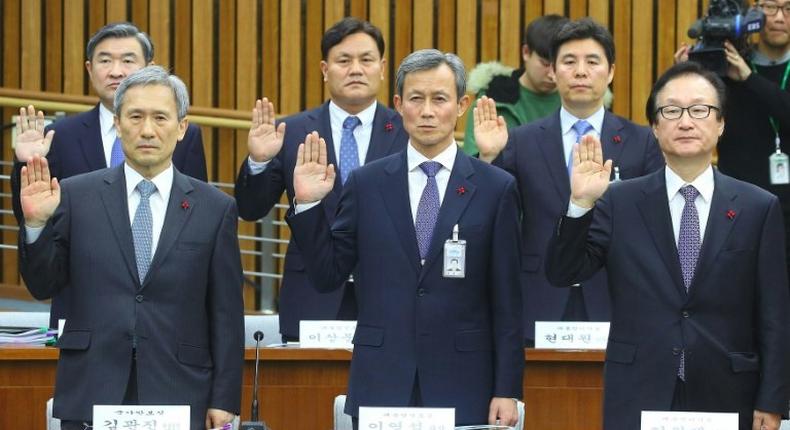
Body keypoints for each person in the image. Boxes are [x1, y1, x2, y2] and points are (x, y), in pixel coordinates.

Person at [545, 60, 790, 430]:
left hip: (729, 390)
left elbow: (775, 315)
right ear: (656, 127)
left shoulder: (758, 207)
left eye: (700, 110)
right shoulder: (619, 201)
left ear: (721, 123)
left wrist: (773, 402)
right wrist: (580, 204)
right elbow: (564, 272)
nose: (686, 121)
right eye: (671, 111)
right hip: (639, 388)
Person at [286, 49, 523, 428]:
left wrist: (507, 388)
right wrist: (309, 206)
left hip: (464, 378)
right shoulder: (367, 183)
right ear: (398, 104)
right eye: (416, 98)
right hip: (382, 377)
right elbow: (328, 274)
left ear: (462, 105)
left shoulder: (496, 187)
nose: (427, 111)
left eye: (440, 99)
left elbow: (508, 300)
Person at [17, 66, 244, 430]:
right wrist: (35, 225)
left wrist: (224, 397)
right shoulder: (75, 195)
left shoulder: (214, 207)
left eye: (160, 117)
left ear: (182, 127)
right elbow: (43, 285)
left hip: (181, 388)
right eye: (135, 117)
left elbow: (226, 313)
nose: (148, 130)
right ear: (118, 125)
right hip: (92, 387)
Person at [476, 18, 664, 343]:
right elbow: (491, 214)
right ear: (552, 72)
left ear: (612, 72)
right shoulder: (521, 141)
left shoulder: (642, 141)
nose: (580, 71)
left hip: (615, 293)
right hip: (539, 294)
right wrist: (489, 159)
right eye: (568, 61)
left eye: (592, 62)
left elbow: (654, 225)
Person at [12, 22, 208, 329]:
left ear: (149, 67)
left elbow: (195, 220)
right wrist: (24, 164)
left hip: (164, 319)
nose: (116, 71)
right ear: (90, 69)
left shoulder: (183, 135)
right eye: (105, 61)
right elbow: (33, 217)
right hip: (82, 315)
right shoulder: (58, 136)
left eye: (128, 60)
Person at [234, 17, 408, 342]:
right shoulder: (292, 131)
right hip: (311, 295)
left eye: (366, 60)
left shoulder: (407, 131)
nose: (355, 69)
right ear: (325, 70)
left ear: (382, 68)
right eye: (344, 60)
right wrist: (258, 161)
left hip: (389, 295)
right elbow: (251, 208)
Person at [677, 0, 790, 275]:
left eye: (788, 8)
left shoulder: (743, 71)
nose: (778, 17)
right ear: (753, 14)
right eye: (770, 7)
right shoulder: (725, 63)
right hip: (737, 203)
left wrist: (750, 79)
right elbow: (694, 123)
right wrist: (686, 76)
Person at [462, 14, 568, 155]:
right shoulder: (492, 99)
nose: (551, 75)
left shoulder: (581, 101)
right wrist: (487, 156)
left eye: (560, 65)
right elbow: (470, 166)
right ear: (526, 52)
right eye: (545, 64)